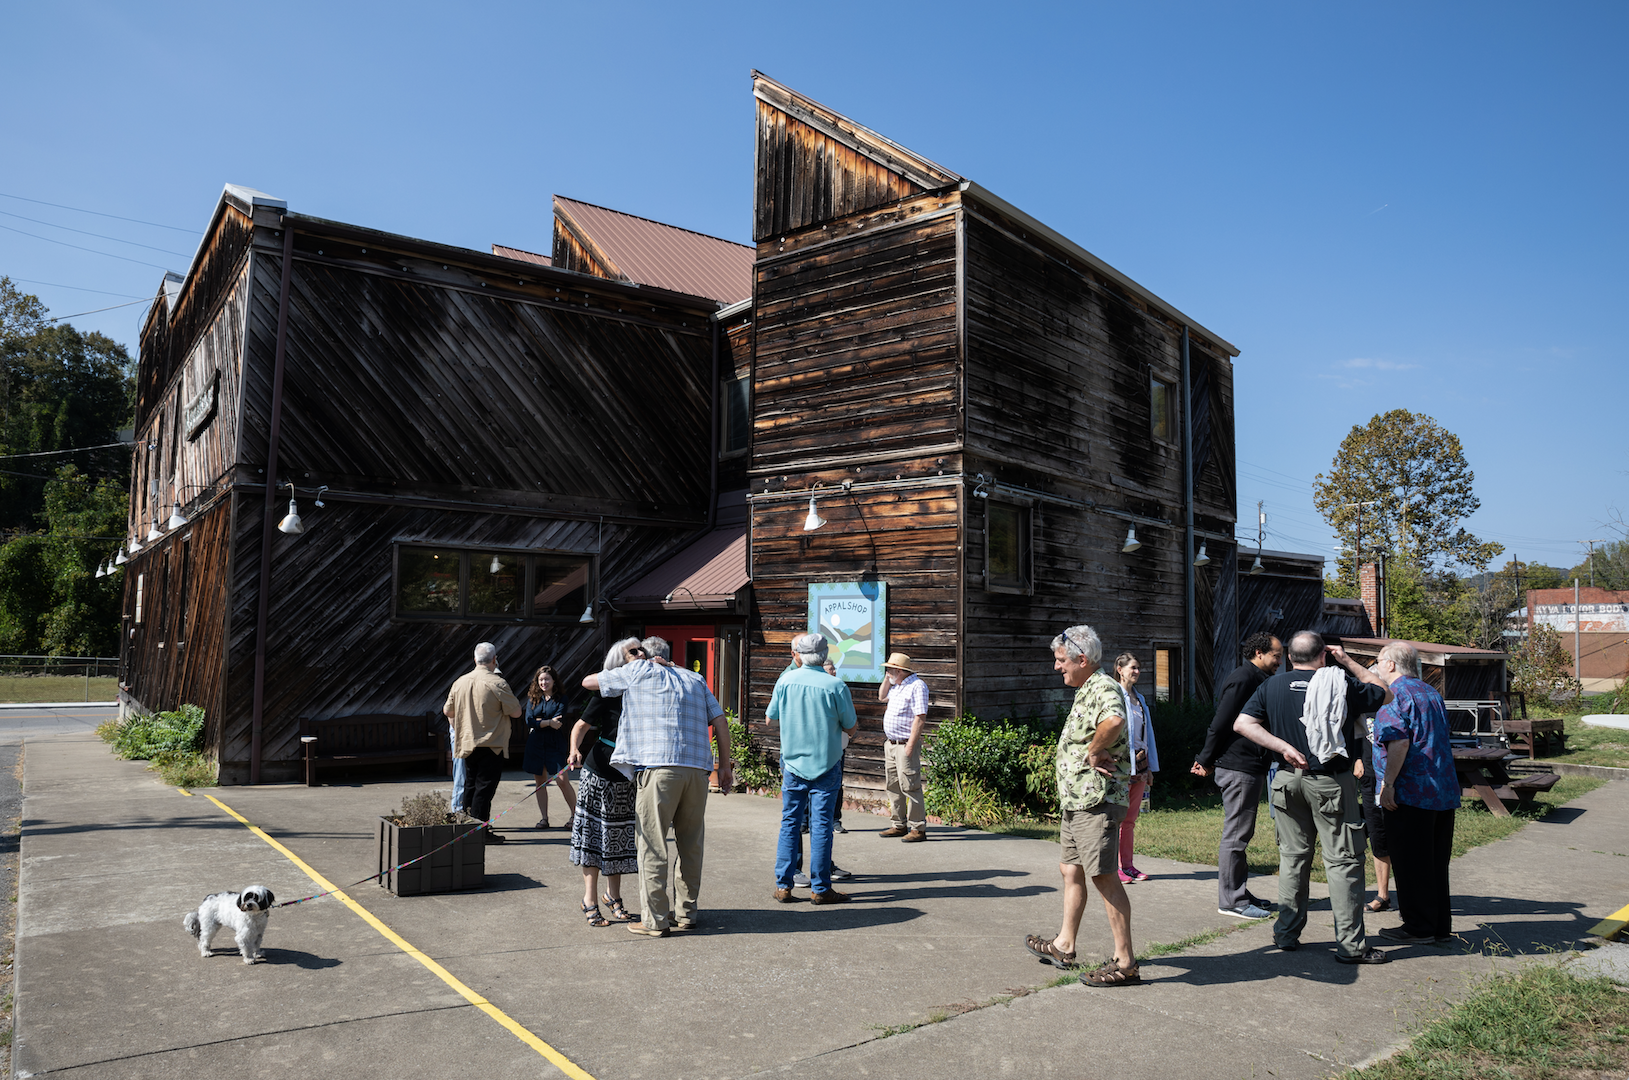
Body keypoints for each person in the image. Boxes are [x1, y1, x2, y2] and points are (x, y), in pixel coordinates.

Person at [1234, 631, 1393, 964]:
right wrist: (1348, 661)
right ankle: (1351, 946)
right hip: (1331, 782)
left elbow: (1243, 724)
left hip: (1286, 781)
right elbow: (1384, 693)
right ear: (1324, 657)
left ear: (1290, 657)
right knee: (1343, 861)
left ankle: (1286, 934)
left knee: (1293, 858)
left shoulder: (1271, 685)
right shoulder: (1340, 683)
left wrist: (1283, 748)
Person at [584, 636, 731, 938]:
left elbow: (588, 682)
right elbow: (719, 721)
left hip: (658, 768)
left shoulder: (638, 670)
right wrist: (726, 766)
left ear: (646, 656)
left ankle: (655, 920)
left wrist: (635, 663)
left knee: (652, 846)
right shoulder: (695, 677)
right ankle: (687, 914)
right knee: (691, 844)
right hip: (697, 770)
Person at [1024, 624, 1139, 986]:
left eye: (1061, 661)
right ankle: (1064, 944)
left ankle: (1125, 963)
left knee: (1104, 875)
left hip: (1097, 800)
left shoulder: (1103, 686)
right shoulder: (1086, 688)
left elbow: (1115, 721)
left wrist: (1093, 750)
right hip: (1078, 801)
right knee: (1070, 870)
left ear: (1082, 659)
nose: (1058, 667)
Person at [1372, 642, 1460, 945]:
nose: (1377, 665)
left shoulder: (1393, 695)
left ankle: (1418, 927)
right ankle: (1438, 926)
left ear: (1392, 664)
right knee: (1435, 863)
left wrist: (1389, 784)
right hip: (1442, 791)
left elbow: (1398, 743)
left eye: (1379, 660)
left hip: (1411, 792)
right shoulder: (1430, 692)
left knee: (1410, 863)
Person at [1191, 632, 1283, 919]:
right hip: (1238, 766)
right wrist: (1205, 758)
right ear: (1258, 653)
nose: (1279, 660)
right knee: (1236, 835)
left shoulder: (1258, 679)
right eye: (1276, 655)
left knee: (1243, 832)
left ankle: (1239, 891)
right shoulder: (1243, 679)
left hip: (1250, 765)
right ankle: (1231, 901)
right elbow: (1220, 722)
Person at [768, 633, 858, 904]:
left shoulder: (785, 681)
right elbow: (851, 727)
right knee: (821, 826)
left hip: (793, 763)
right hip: (826, 763)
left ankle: (783, 885)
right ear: (824, 655)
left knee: (790, 823)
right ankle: (820, 889)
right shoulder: (835, 685)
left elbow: (771, 719)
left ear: (799, 655)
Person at [567, 639, 645, 927]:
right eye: (633, 651)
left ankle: (613, 897)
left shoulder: (645, 690)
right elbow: (580, 725)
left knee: (619, 839)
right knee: (594, 838)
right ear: (620, 662)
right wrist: (574, 749)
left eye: (642, 649)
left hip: (627, 777)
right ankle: (589, 898)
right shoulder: (608, 690)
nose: (641, 654)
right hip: (598, 773)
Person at [443, 641, 522, 844]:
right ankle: (479, 831)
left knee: (470, 786)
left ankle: (466, 827)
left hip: (467, 742)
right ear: (494, 659)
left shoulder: (460, 682)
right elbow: (516, 711)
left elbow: (448, 711)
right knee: (484, 790)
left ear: (474, 659)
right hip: (491, 743)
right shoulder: (497, 682)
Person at [1113, 653, 1158, 884]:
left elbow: (1146, 735)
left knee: (1130, 820)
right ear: (1119, 669)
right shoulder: (1114, 696)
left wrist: (1150, 767)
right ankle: (1114, 867)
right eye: (1133, 667)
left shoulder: (1139, 699)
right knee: (1117, 819)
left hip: (1139, 765)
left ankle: (1128, 865)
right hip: (1120, 766)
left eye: (1139, 668)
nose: (1137, 671)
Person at [877, 652, 929, 842]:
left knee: (910, 785)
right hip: (891, 744)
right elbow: (881, 696)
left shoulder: (917, 686)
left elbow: (920, 718)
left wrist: (910, 746)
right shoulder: (897, 685)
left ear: (899, 670)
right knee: (893, 785)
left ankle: (917, 828)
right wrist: (887, 678)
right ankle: (898, 824)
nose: (887, 672)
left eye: (889, 669)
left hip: (905, 744)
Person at [522, 665, 576, 829]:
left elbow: (557, 722)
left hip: (554, 743)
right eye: (541, 679)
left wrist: (540, 723)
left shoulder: (562, 699)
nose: (544, 682)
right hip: (536, 743)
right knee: (540, 782)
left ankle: (576, 816)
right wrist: (547, 723)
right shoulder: (533, 698)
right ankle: (544, 818)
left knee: (562, 780)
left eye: (547, 679)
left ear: (553, 680)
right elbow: (529, 721)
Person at [1358, 714, 1394, 914]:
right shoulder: (1362, 701)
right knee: (1377, 836)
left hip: (1397, 777)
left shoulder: (1396, 699)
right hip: (1369, 777)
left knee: (1401, 839)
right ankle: (1383, 896)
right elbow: (1354, 734)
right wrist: (1356, 759)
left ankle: (1411, 899)